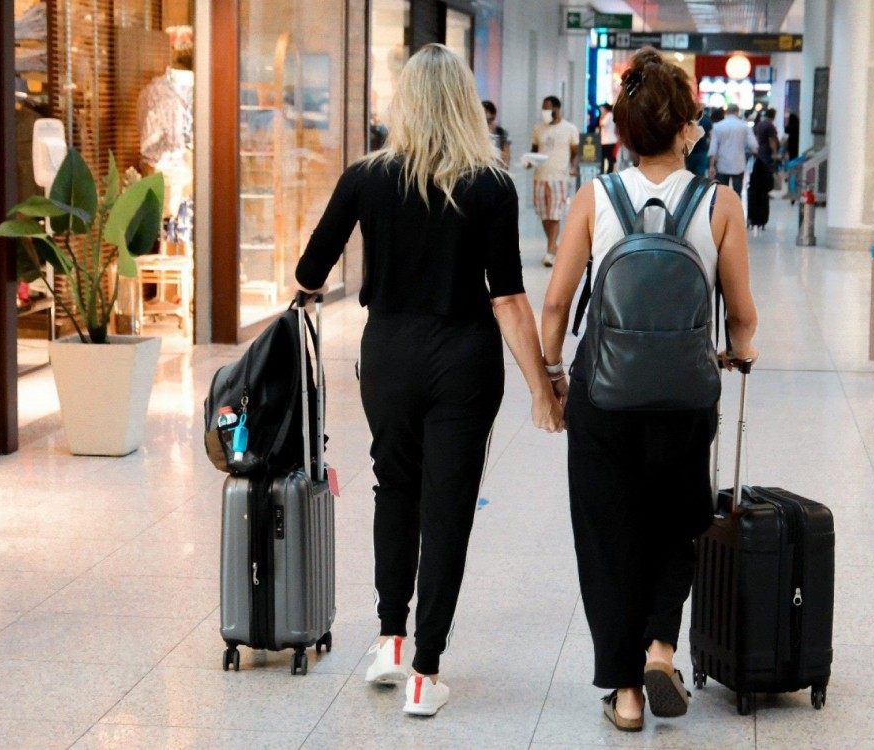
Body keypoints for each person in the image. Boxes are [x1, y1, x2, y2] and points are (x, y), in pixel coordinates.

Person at [294, 43, 565, 717]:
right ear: (466, 105)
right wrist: (541, 388)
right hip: (464, 359)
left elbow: (309, 273)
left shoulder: (367, 177)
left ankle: (389, 638)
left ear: (404, 103)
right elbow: (507, 297)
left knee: (395, 491)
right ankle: (425, 671)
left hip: (388, 354)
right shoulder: (492, 184)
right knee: (447, 513)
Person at [540, 48, 759, 732]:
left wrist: (551, 378)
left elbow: (556, 305)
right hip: (685, 399)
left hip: (603, 396)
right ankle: (662, 645)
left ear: (624, 131)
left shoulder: (595, 198)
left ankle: (625, 693)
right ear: (687, 126)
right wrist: (737, 351)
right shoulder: (719, 203)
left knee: (608, 538)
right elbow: (744, 315)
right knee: (678, 522)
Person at [529, 95, 580, 267]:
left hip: (559, 178)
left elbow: (575, 152)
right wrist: (529, 161)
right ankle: (553, 245)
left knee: (555, 214)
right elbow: (534, 151)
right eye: (543, 108)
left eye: (548, 108)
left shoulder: (569, 129)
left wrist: (573, 167)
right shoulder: (538, 129)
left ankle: (550, 251)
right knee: (544, 215)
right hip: (540, 177)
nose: (545, 112)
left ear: (557, 109)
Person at [707, 102, 756, 199]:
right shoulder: (744, 126)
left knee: (722, 194)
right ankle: (736, 212)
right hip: (739, 164)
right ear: (737, 112)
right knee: (737, 193)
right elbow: (753, 145)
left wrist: (712, 166)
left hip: (722, 165)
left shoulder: (718, 126)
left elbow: (713, 148)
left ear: (726, 112)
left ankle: (723, 212)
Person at [748, 107, 780, 233]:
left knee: (756, 182)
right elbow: (772, 140)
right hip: (767, 154)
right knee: (765, 181)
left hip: (759, 154)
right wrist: (775, 153)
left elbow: (755, 138)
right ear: (774, 115)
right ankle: (761, 214)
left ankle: (753, 217)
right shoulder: (770, 126)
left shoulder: (760, 124)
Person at [683, 106, 713, 176]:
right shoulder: (707, 121)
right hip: (702, 151)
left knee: (688, 174)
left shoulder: (687, 120)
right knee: (700, 175)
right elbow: (711, 137)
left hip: (689, 152)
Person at [482, 99, 511, 167]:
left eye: (490, 121)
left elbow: (507, 155)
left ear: (494, 116)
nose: (488, 125)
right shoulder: (475, 134)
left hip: (497, 168)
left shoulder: (502, 132)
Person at [599, 103, 618, 174]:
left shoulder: (609, 115)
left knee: (608, 158)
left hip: (608, 141)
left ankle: (608, 172)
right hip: (608, 141)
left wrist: (602, 117)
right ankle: (607, 172)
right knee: (607, 158)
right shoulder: (610, 115)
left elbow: (602, 124)